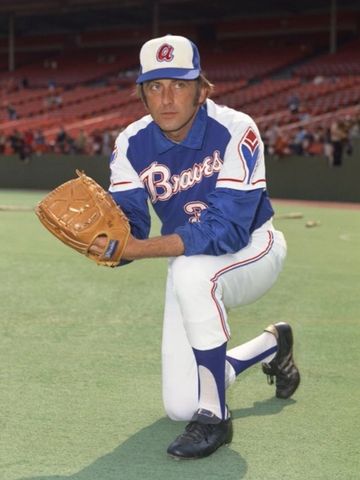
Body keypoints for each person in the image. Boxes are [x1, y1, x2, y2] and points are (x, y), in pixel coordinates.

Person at [90, 34, 300, 460]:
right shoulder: (131, 142)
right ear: (142, 93)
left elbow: (226, 230)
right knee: (179, 405)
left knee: (188, 270)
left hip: (253, 250)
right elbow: (132, 223)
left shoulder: (237, 128)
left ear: (202, 89)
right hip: (190, 259)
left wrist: (136, 250)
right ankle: (271, 345)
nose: (167, 98)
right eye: (155, 86)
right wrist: (106, 242)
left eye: (180, 85)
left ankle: (215, 418)